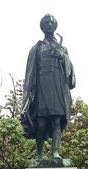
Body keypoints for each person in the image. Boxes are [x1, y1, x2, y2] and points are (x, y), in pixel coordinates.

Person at [21, 14, 75, 158]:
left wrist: (62, 57)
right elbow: (30, 73)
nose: (49, 24)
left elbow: (70, 74)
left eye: (51, 22)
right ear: (42, 26)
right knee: (41, 124)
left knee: (57, 120)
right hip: (41, 90)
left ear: (55, 25)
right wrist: (27, 96)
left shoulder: (62, 48)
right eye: (46, 22)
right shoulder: (36, 48)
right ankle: (39, 155)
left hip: (57, 88)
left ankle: (55, 152)